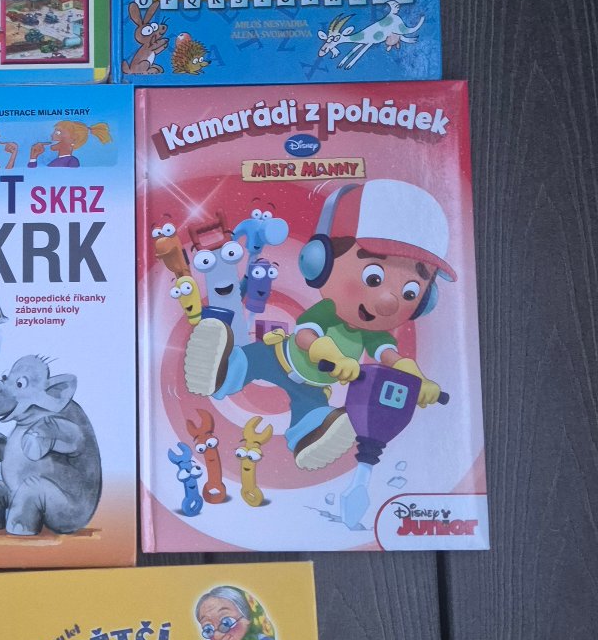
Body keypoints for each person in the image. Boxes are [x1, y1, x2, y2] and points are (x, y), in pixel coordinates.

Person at [185, 179, 452, 471]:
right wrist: (331, 354)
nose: (388, 303)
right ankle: (220, 371)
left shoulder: (374, 333)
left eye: (411, 293)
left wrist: (417, 380)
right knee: (248, 361)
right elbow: (305, 336)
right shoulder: (328, 311)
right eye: (373, 278)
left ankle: (308, 434)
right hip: (279, 357)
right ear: (319, 261)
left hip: (315, 385)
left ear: (426, 300)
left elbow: (390, 356)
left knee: (313, 411)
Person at [27, 119, 112, 169]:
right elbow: (34, 179)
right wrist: (33, 157)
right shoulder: (56, 161)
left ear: (74, 139)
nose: (52, 135)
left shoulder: (72, 161)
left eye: (58, 133)